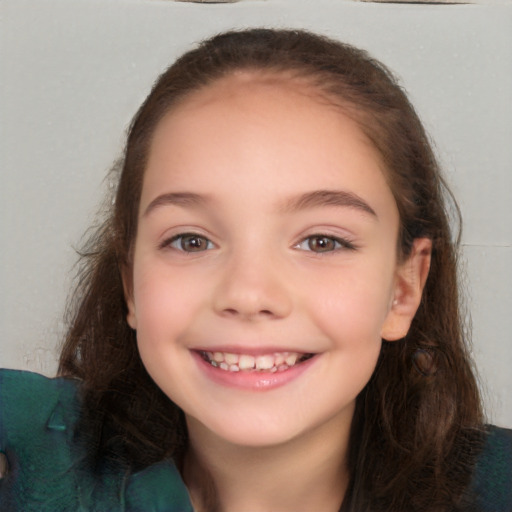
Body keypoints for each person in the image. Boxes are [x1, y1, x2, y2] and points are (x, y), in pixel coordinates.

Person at [1, 28, 511, 512]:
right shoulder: (28, 452)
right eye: (191, 240)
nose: (248, 293)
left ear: (403, 290)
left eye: (321, 241)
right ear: (131, 284)